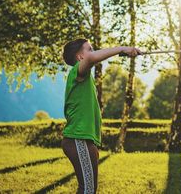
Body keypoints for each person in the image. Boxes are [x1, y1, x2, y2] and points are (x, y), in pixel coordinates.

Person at [61, 39, 142, 194]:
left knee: (89, 189)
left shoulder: (84, 77)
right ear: (80, 57)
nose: (93, 52)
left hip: (84, 139)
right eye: (89, 49)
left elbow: (91, 57)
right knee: (88, 189)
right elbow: (91, 58)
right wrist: (122, 49)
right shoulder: (77, 72)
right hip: (78, 138)